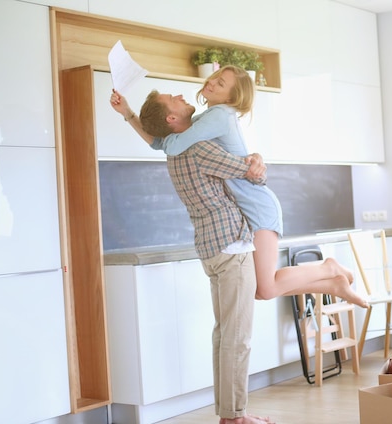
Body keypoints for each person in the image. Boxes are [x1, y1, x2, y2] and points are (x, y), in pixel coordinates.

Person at [111, 65, 368, 308]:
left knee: (265, 289)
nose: (211, 82)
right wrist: (128, 114)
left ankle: (329, 270)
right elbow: (161, 142)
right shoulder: (206, 118)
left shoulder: (220, 116)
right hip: (246, 209)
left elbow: (172, 145)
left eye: (220, 83)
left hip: (257, 206)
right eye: (215, 77)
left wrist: (133, 117)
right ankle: (332, 284)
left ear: (231, 97)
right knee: (259, 290)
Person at [113, 91, 273, 424]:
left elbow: (154, 141)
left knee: (224, 333)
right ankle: (235, 417)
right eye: (173, 98)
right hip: (231, 245)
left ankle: (230, 413)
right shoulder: (199, 147)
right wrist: (257, 158)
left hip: (210, 247)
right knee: (237, 336)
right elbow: (251, 173)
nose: (181, 95)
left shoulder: (175, 149)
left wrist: (128, 112)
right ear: (172, 119)